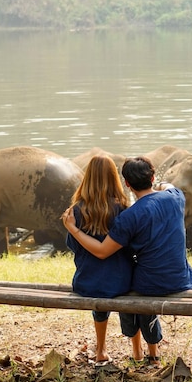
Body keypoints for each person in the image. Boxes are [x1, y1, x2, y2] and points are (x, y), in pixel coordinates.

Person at [63, 156, 192, 366]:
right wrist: (161, 184)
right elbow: (169, 185)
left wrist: (74, 229)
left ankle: (143, 352)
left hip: (147, 283)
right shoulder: (175, 197)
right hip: (181, 278)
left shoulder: (129, 217)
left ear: (127, 183)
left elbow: (102, 251)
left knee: (131, 296)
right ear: (152, 177)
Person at [65, 155, 161, 367]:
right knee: (125, 284)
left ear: (87, 178)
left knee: (100, 285)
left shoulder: (76, 211)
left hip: (85, 283)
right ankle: (147, 352)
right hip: (121, 282)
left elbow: (72, 245)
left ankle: (100, 350)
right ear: (114, 178)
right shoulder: (122, 209)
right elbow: (132, 246)